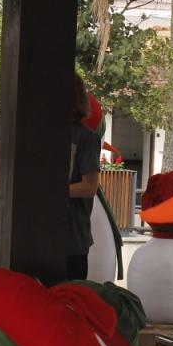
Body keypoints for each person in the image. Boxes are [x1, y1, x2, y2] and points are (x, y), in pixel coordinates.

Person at [67, 75, 101, 279]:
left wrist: (51, 191)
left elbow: (89, 187)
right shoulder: (41, 133)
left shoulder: (85, 137)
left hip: (71, 240)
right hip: (40, 236)